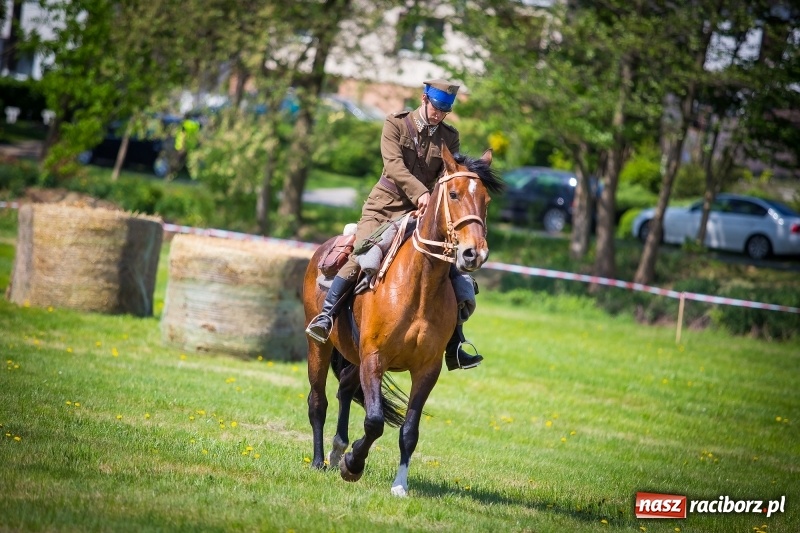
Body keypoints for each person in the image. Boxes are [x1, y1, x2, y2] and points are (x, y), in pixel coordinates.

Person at [305, 79, 484, 371]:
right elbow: (393, 166)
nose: (439, 115)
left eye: (445, 111)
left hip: (422, 213)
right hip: (384, 208)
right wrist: (421, 193)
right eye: (437, 108)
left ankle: (455, 343)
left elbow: (448, 173)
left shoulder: (449, 137)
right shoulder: (396, 124)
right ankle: (325, 317)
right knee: (361, 254)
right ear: (424, 98)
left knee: (451, 270)